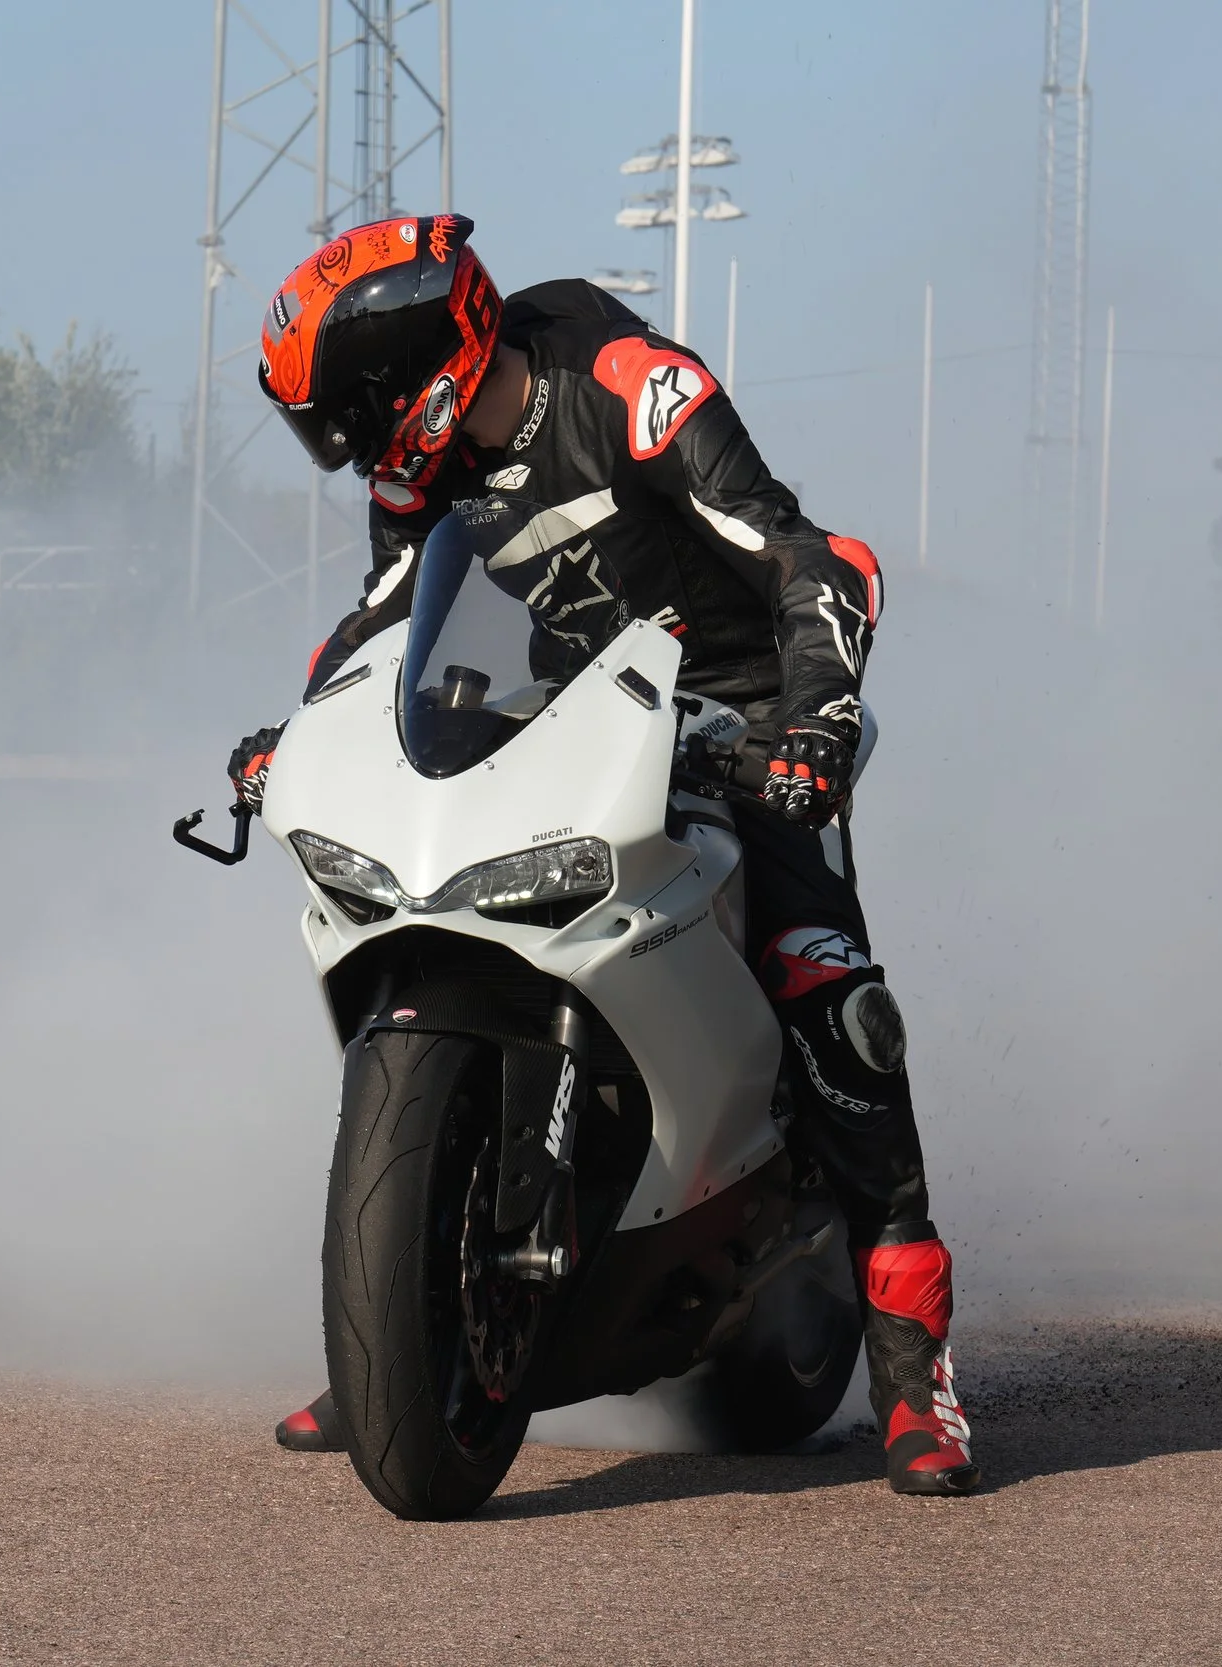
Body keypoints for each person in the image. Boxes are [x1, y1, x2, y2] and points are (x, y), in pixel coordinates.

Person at [226, 213, 975, 1496]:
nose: (347, 449)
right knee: (424, 914)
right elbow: (380, 621)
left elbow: (812, 558)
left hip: (740, 720)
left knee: (828, 990)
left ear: (425, 363)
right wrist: (292, 737)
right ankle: (399, 1330)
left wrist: (816, 722)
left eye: (351, 412)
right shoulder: (419, 477)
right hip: (570, 725)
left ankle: (916, 1372)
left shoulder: (628, 388)